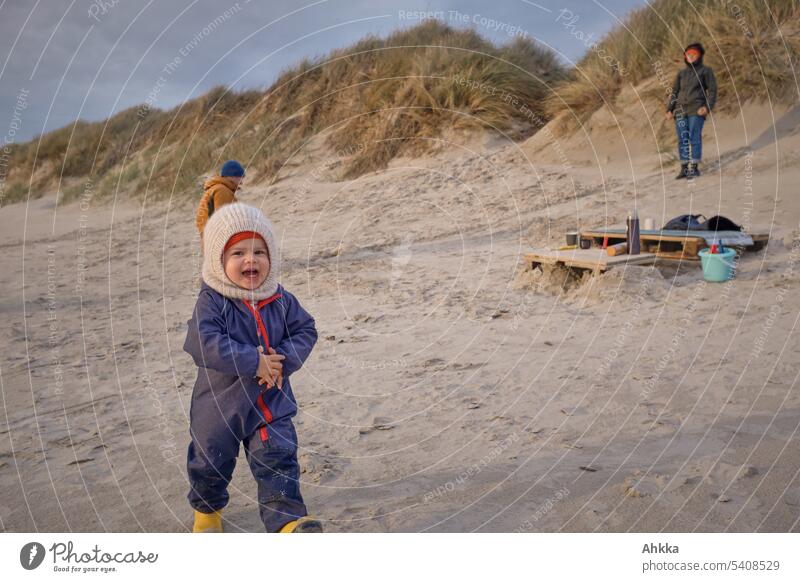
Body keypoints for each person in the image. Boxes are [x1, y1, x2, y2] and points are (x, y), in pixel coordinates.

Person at [183, 202, 322, 533]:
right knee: (209, 463)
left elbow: (307, 330)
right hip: (220, 405)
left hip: (270, 403)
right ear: (218, 260)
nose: (251, 259)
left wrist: (280, 361)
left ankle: (286, 522)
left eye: (260, 251)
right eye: (238, 253)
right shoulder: (213, 301)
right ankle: (207, 511)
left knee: (278, 459)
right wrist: (252, 361)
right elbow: (202, 342)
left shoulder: (280, 298)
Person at [666, 43, 717, 179]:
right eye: (688, 54)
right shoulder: (681, 74)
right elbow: (675, 92)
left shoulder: (706, 71)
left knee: (694, 138)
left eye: (694, 54)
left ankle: (694, 168)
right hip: (680, 110)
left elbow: (712, 91)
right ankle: (684, 168)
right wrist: (670, 109)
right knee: (682, 139)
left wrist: (707, 107)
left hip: (697, 109)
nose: (691, 57)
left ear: (699, 56)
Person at [195, 160, 246, 238]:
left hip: (208, 235)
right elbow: (224, 220)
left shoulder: (216, 188)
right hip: (216, 237)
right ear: (232, 176)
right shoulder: (222, 191)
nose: (241, 182)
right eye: (240, 177)